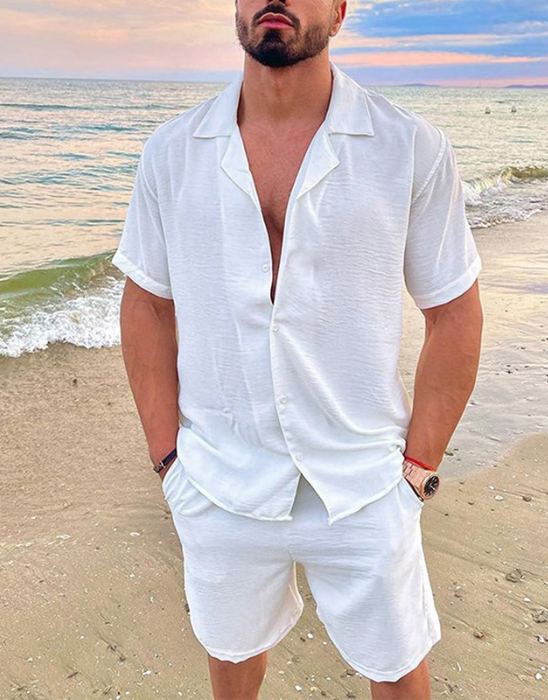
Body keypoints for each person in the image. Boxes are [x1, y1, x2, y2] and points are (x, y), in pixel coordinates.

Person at [112, 1, 484, 698]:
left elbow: (454, 312)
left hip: (364, 481)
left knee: (397, 669)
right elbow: (148, 304)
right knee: (232, 656)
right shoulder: (173, 150)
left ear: (339, 12)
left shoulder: (408, 147)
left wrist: (417, 471)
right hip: (219, 478)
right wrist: (169, 461)